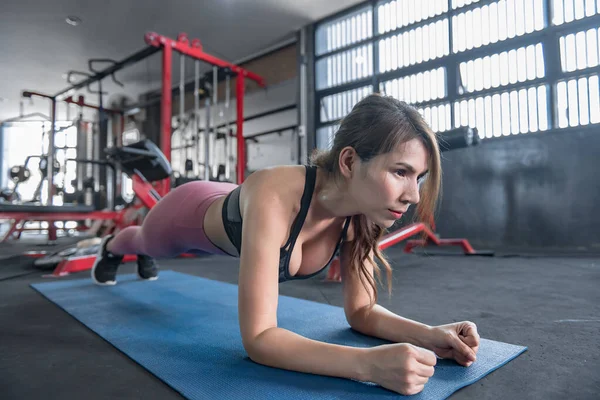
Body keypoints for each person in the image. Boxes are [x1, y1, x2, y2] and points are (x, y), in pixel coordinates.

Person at [91, 93, 480, 396]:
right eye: (400, 172)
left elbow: (361, 311)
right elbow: (260, 339)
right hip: (188, 210)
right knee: (144, 242)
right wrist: (369, 365)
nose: (413, 195)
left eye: (419, 178)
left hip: (236, 206)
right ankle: (111, 247)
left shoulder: (365, 212)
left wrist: (430, 334)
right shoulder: (276, 193)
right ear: (348, 162)